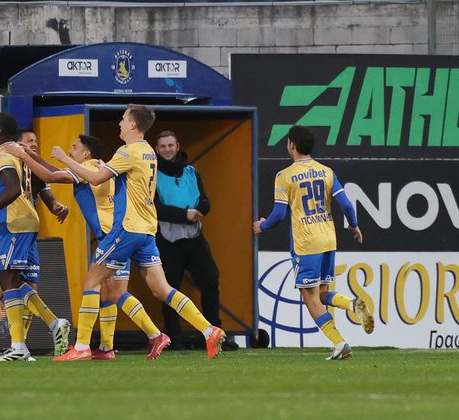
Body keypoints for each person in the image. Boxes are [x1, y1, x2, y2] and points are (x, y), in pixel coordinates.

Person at [48, 104, 226, 361]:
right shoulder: (149, 152)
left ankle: (83, 346)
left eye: (123, 119)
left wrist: (65, 159)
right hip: (147, 230)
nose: (119, 124)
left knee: (92, 281)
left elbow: (96, 178)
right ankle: (209, 330)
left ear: (133, 124)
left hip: (126, 229)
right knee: (162, 289)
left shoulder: (128, 151)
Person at [3, 134, 132, 361]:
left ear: (86, 154)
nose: (70, 150)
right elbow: (56, 171)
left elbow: (50, 176)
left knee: (103, 288)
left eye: (74, 147)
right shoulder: (97, 167)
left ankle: (88, 346)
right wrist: (33, 155)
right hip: (120, 233)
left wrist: (24, 155)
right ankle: (106, 347)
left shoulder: (88, 169)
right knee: (112, 293)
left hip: (111, 237)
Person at [253, 125, 374, 360]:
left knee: (310, 299)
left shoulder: (284, 176)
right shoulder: (326, 172)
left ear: (292, 145)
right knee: (322, 293)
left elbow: (279, 214)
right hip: (328, 240)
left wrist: (262, 226)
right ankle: (352, 304)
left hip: (307, 243)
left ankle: (339, 343)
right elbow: (346, 204)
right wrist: (354, 225)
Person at [0, 112, 71, 362]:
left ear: (0, 131)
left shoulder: (4, 155)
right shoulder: (19, 158)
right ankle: (49, 327)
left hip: (13, 224)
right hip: (26, 223)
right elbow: (32, 184)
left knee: (7, 281)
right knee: (13, 282)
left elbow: (14, 189)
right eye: (29, 141)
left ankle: (16, 345)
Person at [154, 130, 238, 351]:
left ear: (177, 145)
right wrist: (185, 214)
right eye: (163, 146)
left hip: (194, 237)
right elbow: (155, 209)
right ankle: (174, 337)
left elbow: (205, 201)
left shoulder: (192, 171)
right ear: (156, 149)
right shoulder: (153, 174)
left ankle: (214, 334)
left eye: (170, 145)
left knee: (210, 279)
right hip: (168, 240)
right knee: (169, 289)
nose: (167, 150)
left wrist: (200, 210)